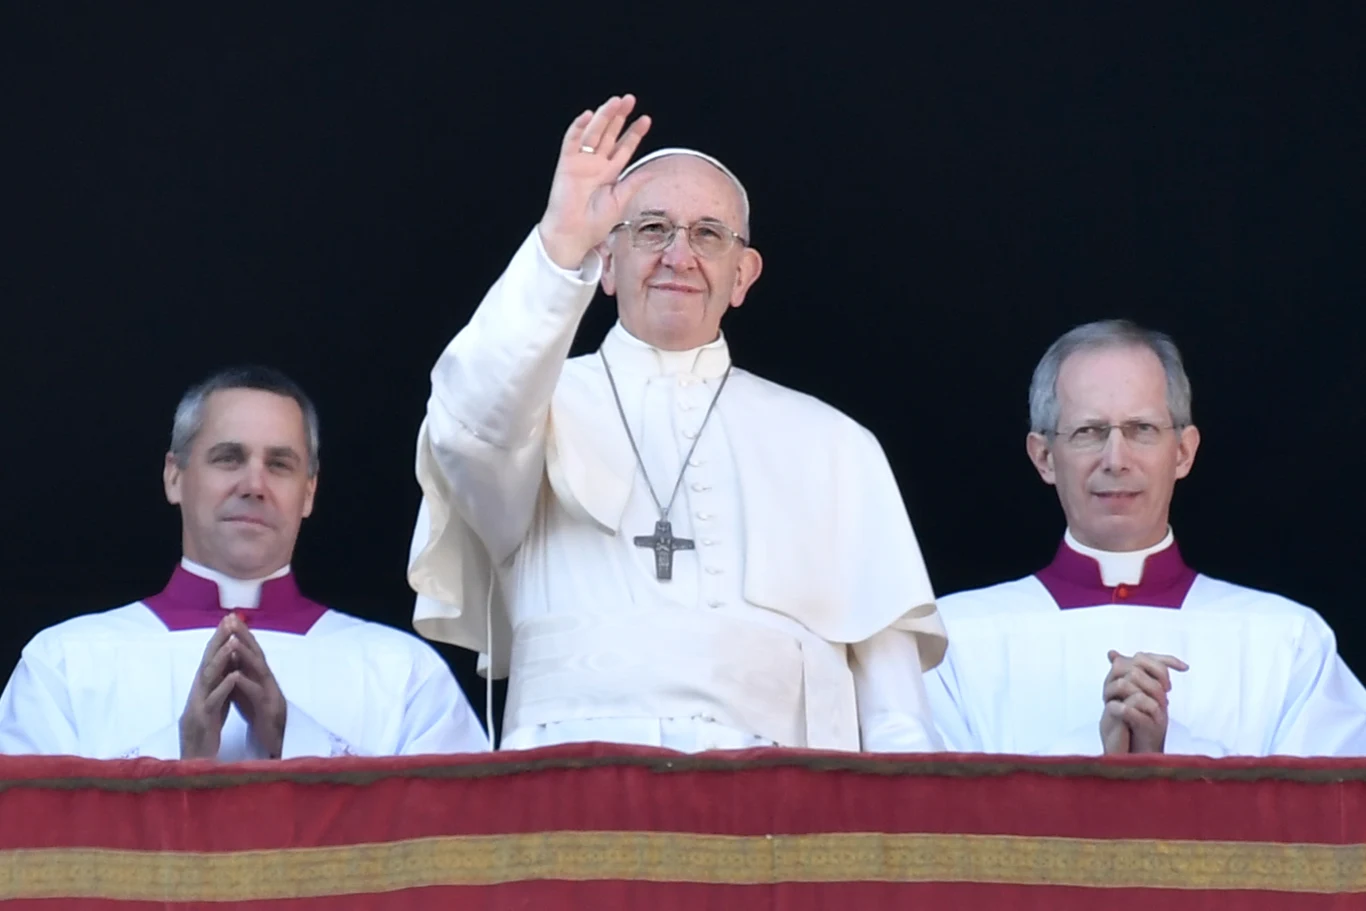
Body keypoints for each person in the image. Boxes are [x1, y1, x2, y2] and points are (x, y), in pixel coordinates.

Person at [404, 94, 947, 753]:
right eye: (651, 229)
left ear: (742, 275)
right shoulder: (533, 406)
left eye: (708, 234)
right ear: (606, 259)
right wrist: (557, 243)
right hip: (566, 790)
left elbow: (897, 719)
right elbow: (466, 427)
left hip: (777, 810)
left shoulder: (836, 445)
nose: (678, 255)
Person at [926, 319, 1366, 757]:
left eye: (1142, 429)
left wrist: (1162, 767)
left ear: (1183, 452)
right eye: (1088, 432)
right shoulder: (952, 640)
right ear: (1043, 457)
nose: (1116, 460)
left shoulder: (1286, 641)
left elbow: (1331, 815)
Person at [0, 366, 488, 760]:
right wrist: (179, 756)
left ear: (309, 492)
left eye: (279, 464)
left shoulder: (403, 672)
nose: (254, 485)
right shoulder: (64, 663)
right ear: (174, 477)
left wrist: (293, 740)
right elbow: (25, 848)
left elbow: (459, 850)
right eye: (228, 458)